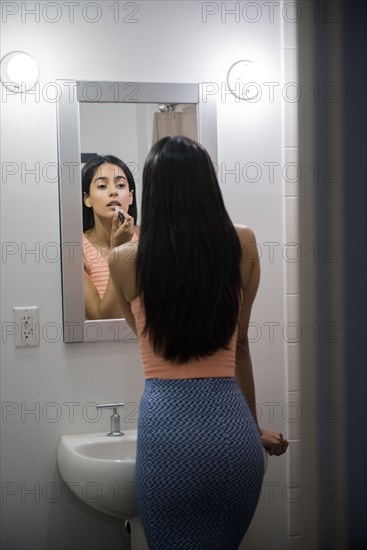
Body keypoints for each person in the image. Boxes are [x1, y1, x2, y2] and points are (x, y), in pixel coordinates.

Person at [108, 136, 288, 549]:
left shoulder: (124, 259)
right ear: (208, 183)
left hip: (167, 438)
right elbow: (239, 345)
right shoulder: (242, 243)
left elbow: (146, 338)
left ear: (151, 191)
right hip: (233, 436)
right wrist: (252, 426)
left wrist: (121, 249)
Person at [81, 154, 139, 320]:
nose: (113, 192)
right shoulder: (76, 250)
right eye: (102, 186)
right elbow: (104, 321)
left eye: (121, 185)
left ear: (130, 196)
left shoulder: (148, 239)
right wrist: (119, 251)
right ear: (87, 199)